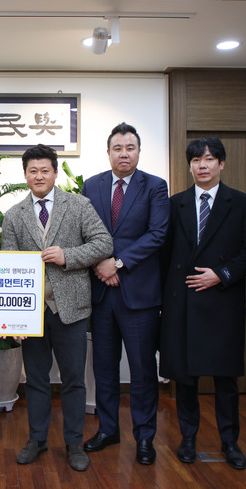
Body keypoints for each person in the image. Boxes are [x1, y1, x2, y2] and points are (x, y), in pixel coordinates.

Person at [2, 144, 113, 472]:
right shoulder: (14, 215)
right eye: (32, 171)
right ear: (25, 175)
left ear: (54, 172)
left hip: (72, 309)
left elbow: (103, 243)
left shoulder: (78, 205)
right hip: (32, 312)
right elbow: (8, 266)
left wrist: (69, 256)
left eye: (45, 170)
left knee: (74, 380)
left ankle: (74, 443)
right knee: (35, 380)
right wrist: (13, 319)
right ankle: (37, 439)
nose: (39, 176)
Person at [159, 138, 246, 469]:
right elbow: (163, 254)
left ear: (222, 164)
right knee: (186, 379)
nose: (202, 165)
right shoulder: (175, 204)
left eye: (209, 159)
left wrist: (221, 274)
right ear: (189, 165)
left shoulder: (240, 202)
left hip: (222, 302)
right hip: (182, 303)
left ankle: (230, 442)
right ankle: (188, 438)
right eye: (196, 160)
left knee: (225, 379)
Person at [81, 122, 169, 465]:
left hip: (139, 295)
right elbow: (83, 232)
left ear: (138, 151)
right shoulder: (92, 185)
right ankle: (108, 429)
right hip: (102, 293)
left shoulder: (155, 187)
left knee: (143, 370)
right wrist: (100, 264)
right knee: (104, 368)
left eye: (130, 148)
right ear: (108, 152)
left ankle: (145, 437)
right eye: (117, 148)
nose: (124, 154)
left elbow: (157, 234)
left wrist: (117, 263)